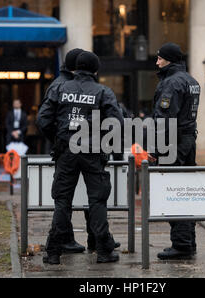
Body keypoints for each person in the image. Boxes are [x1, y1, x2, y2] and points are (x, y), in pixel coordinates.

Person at [37, 51, 124, 265]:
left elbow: (43, 120)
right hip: (92, 151)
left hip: (66, 151)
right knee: (97, 200)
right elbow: (117, 123)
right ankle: (103, 251)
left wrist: (58, 140)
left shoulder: (59, 88)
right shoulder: (103, 92)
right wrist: (102, 140)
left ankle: (53, 253)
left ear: (75, 68)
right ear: (95, 71)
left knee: (62, 201)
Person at [152, 43, 200, 260]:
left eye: (160, 58)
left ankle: (181, 244)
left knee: (175, 190)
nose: (157, 62)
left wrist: (157, 150)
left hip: (174, 143)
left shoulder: (171, 83)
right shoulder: (192, 81)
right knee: (187, 189)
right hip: (189, 140)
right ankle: (189, 240)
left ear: (169, 60)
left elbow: (164, 120)